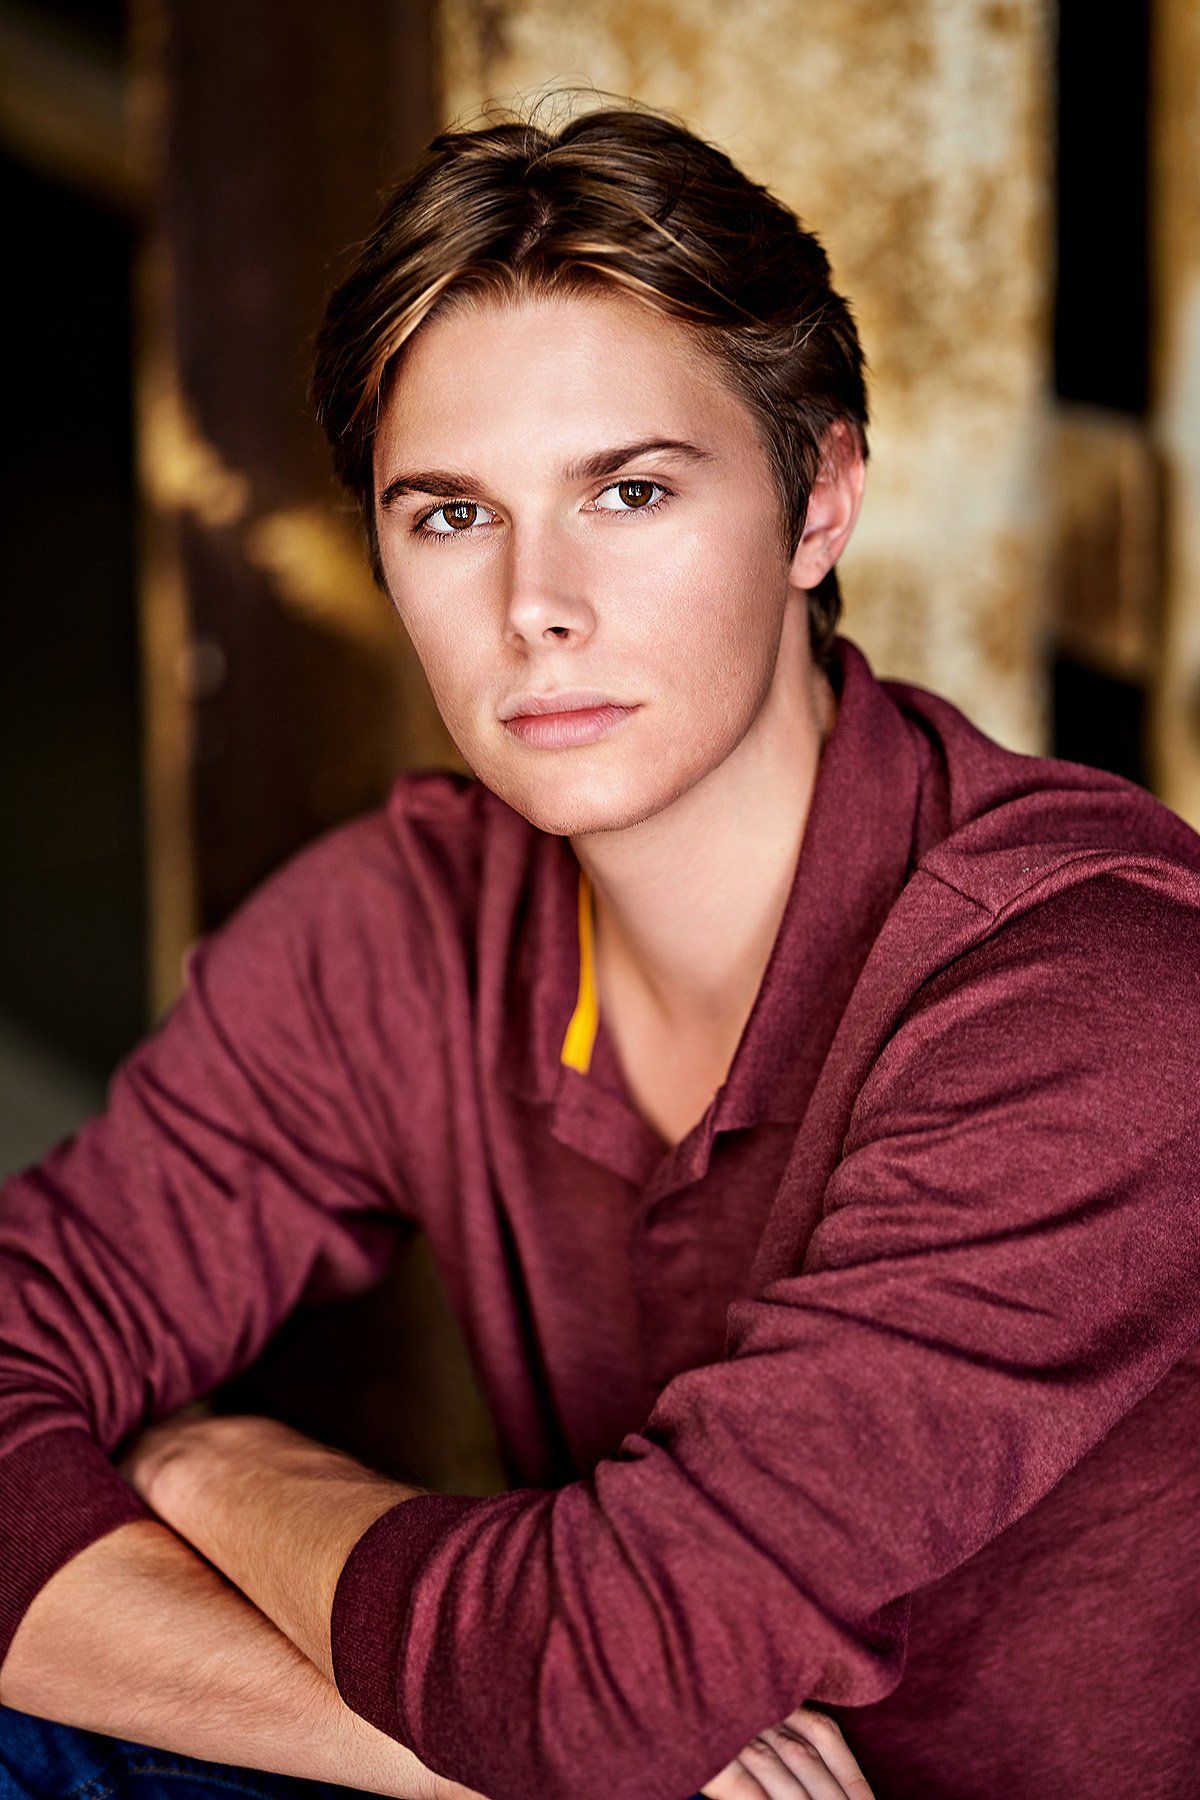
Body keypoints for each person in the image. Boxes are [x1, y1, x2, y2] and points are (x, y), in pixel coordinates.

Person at [1, 93, 1199, 1800]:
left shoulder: (1096, 996)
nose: (534, 605)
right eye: (451, 514)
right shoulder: (404, 927)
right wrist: (474, 1751)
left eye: (629, 491)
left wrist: (212, 1465)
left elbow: (598, 1684)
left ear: (820, 502)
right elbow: (585, 1719)